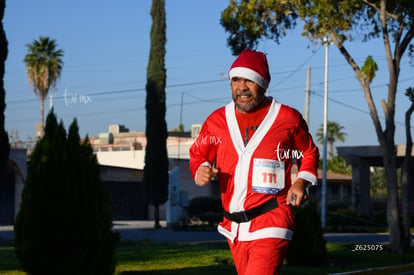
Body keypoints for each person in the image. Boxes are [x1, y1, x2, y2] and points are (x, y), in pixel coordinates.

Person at [189, 49, 320, 275]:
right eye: (236, 80)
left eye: (249, 80)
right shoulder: (217, 121)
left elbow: (308, 153)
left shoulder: (287, 118)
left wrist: (301, 182)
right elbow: (198, 154)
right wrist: (201, 168)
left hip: (273, 218)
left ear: (263, 84)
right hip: (235, 226)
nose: (242, 87)